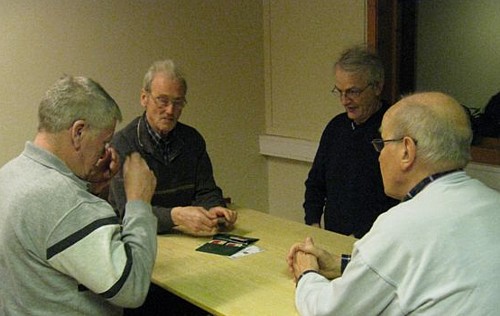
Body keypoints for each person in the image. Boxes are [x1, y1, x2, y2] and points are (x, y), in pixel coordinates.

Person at [287, 92, 500, 315]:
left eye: (382, 144)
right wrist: (339, 263)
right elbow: (435, 273)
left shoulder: (403, 224)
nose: (379, 157)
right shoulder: (493, 204)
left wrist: (306, 274)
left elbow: (331, 311)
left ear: (407, 150)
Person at [0, 76, 158, 315]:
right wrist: (139, 202)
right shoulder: (62, 200)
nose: (105, 152)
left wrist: (93, 190)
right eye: (104, 141)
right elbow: (132, 288)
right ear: (78, 132)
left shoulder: (10, 174)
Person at [109, 59, 236, 237]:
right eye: (163, 100)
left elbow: (206, 190)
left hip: (188, 237)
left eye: (178, 102)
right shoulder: (123, 144)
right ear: (144, 98)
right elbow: (126, 213)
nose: (170, 110)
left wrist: (214, 208)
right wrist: (175, 216)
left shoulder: (192, 140)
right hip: (140, 241)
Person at [304, 46, 398, 238]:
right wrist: (313, 223)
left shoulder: (396, 127)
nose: (345, 101)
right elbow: (315, 183)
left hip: (381, 242)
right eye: (340, 92)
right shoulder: (336, 127)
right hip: (335, 238)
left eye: (353, 92)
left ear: (377, 86)